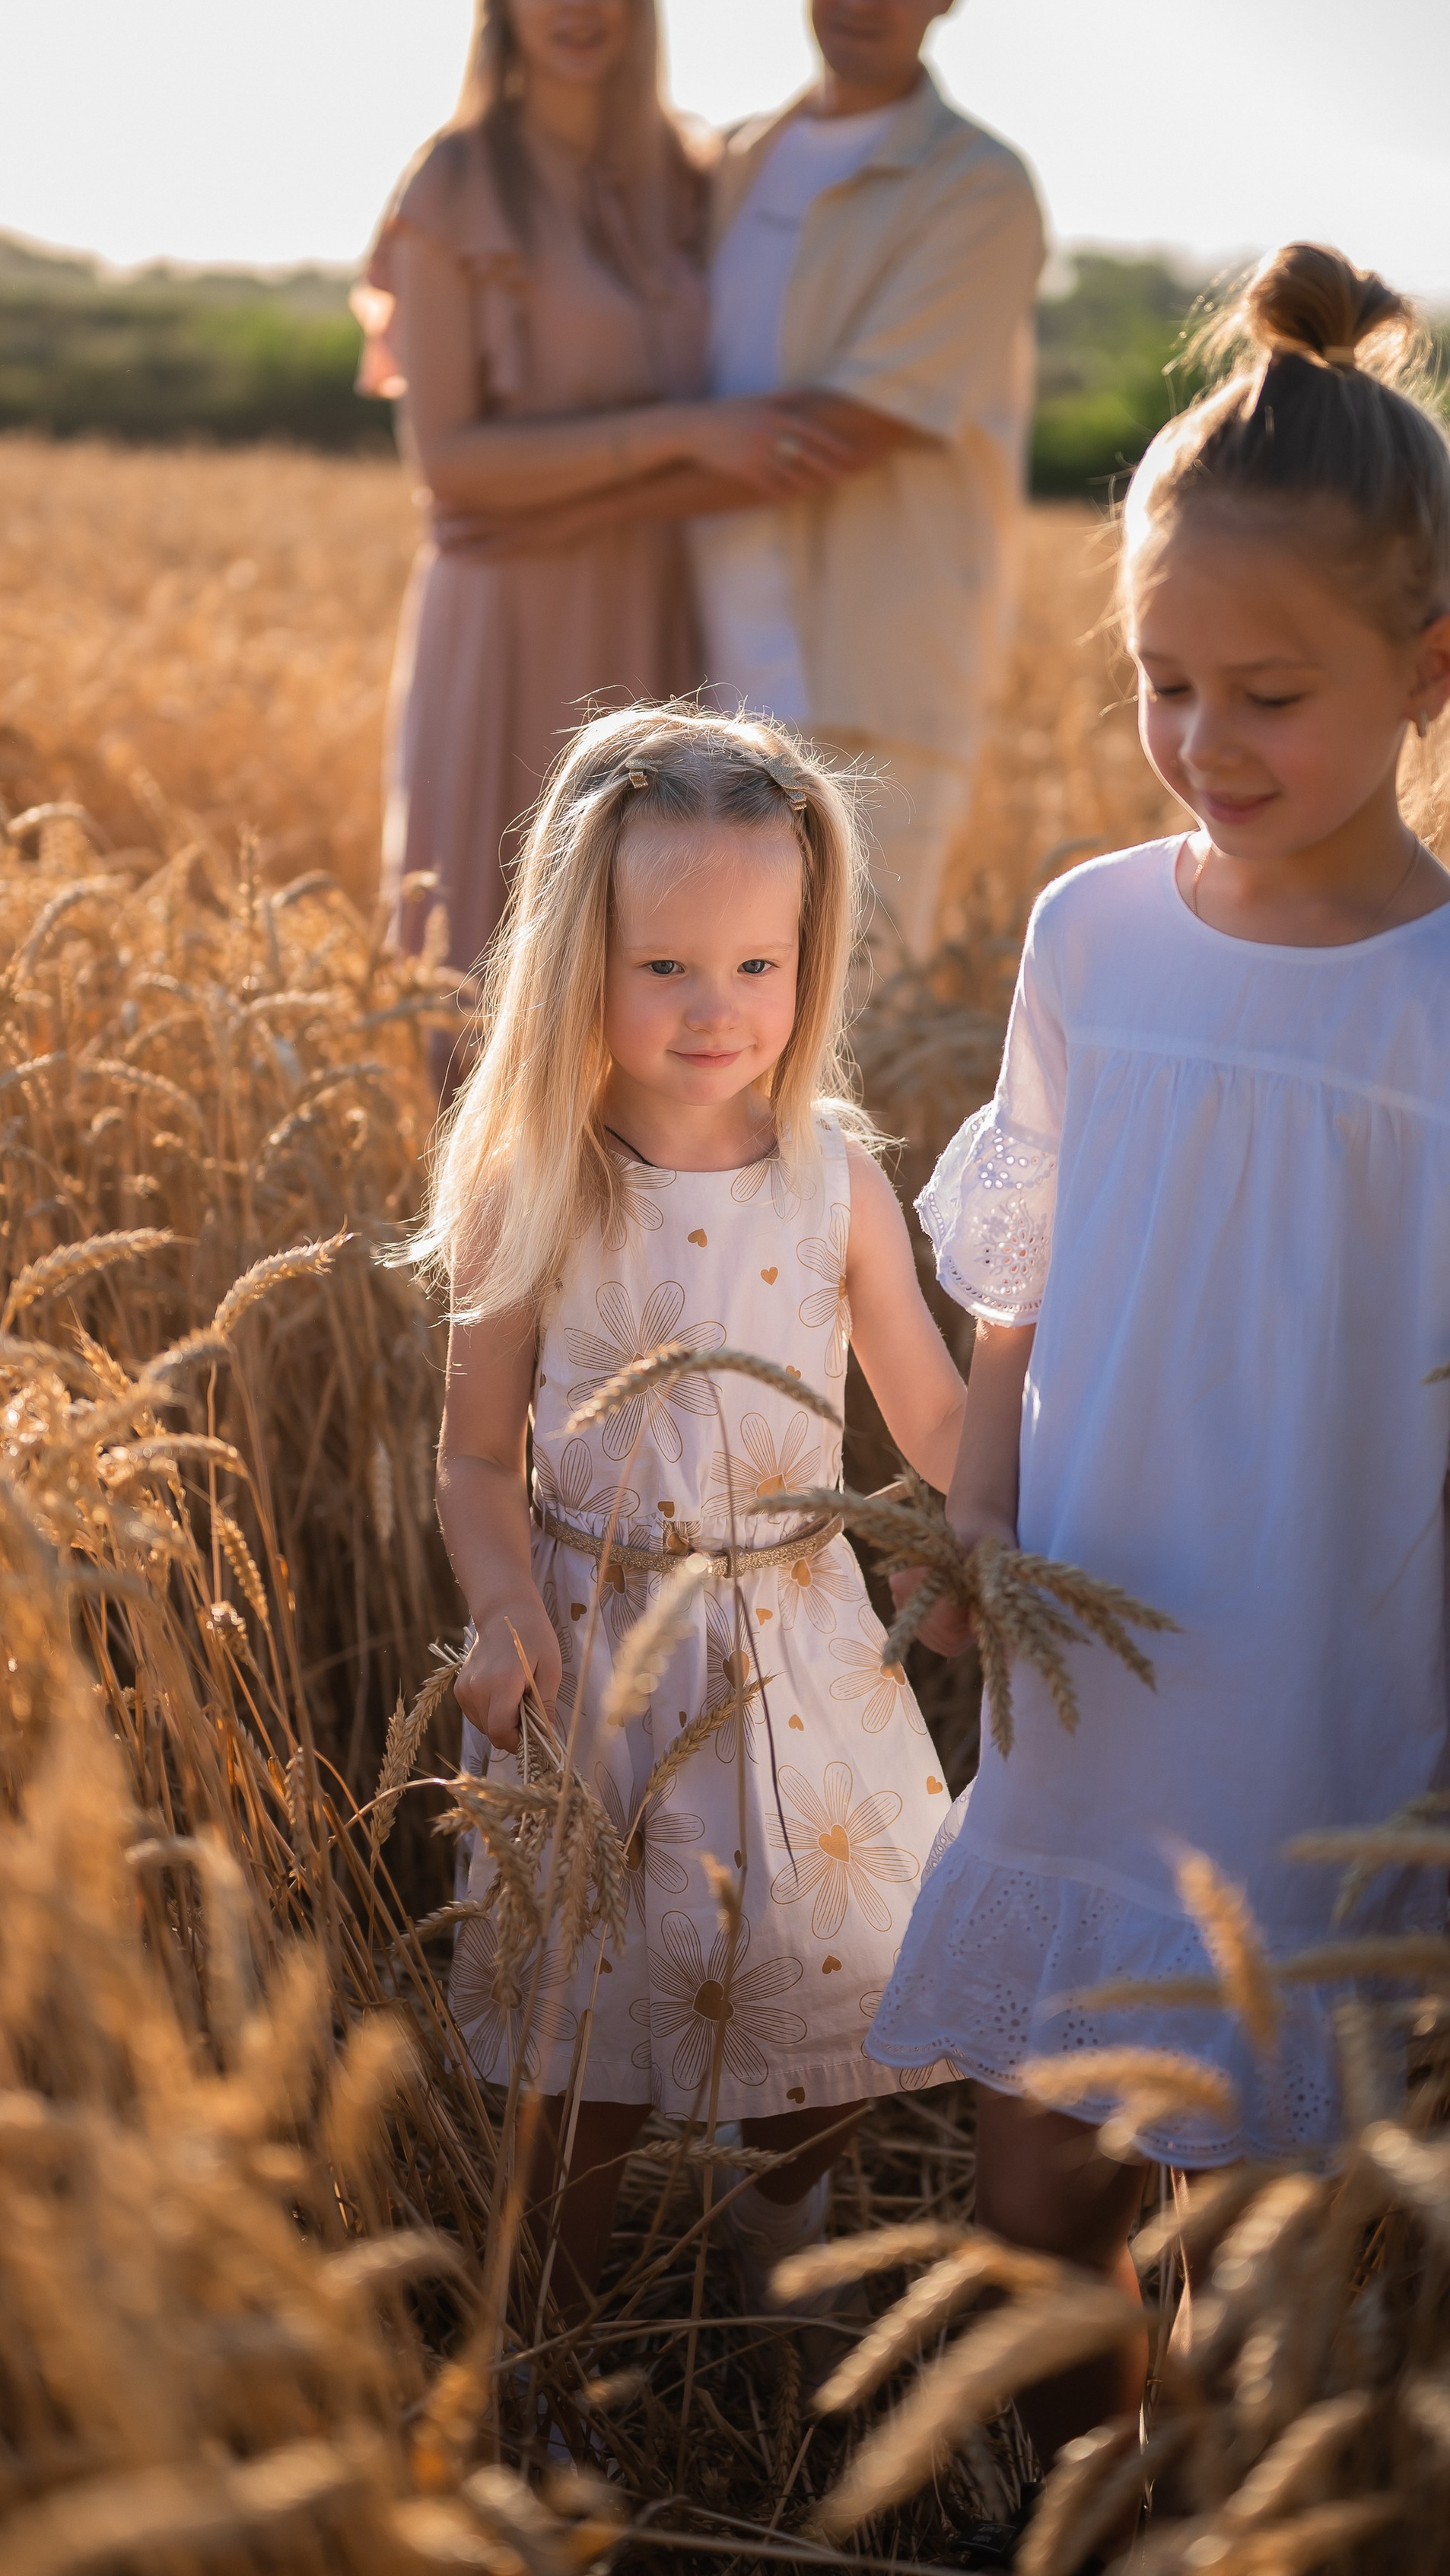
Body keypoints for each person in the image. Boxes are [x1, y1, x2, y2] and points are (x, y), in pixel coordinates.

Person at [864, 245, 1450, 2482]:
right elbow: (1015, 1290)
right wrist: (976, 1515)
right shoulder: (1093, 935)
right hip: (1088, 1675)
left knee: (1267, 2219)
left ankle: (1222, 2517)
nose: (1207, 746)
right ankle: (1054, 2508)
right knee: (1033, 2183)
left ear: (1430, 671)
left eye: (1270, 694)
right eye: (1162, 685)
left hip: (1317, 1707)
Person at [419, 703, 967, 2317]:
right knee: (577, 2056)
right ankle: (549, 2352)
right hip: (594, 1651)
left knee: (858, 1994)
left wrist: (1030, 1509)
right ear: (575, 963)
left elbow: (933, 1416)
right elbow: (470, 1458)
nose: (715, 1010)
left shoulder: (835, 1180)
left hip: (800, 1643)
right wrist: (505, 1601)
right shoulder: (534, 1183)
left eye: (757, 965)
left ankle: (776, 2216)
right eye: (663, 966)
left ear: (809, 957)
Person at [356, 0, 861, 1053]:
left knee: (649, 983)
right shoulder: (457, 180)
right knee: (493, 981)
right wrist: (690, 436)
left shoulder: (687, 177)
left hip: (654, 611)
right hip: (510, 619)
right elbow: (457, 472)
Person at [690, 0, 1048, 964]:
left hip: (871, 694)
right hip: (700, 675)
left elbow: (849, 428)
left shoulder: (976, 187)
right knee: (693, 1057)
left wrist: (558, 475)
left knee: (847, 1060)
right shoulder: (732, 165)